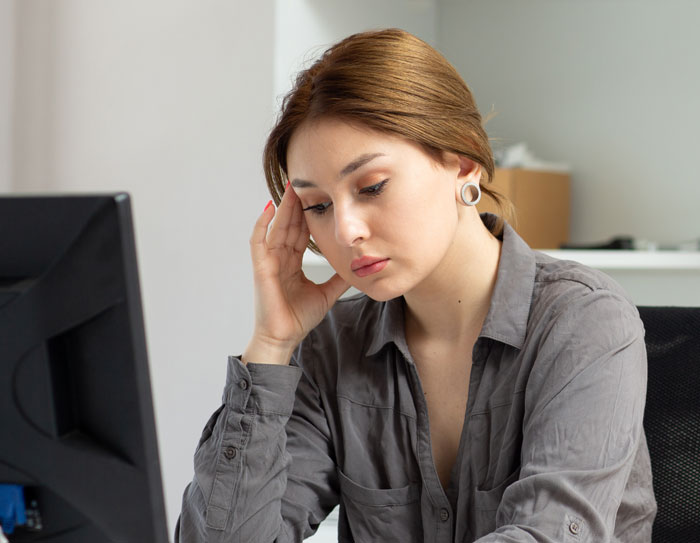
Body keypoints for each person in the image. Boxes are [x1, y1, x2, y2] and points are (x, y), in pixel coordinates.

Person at [175, 28, 656, 542]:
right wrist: (271, 346)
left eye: (372, 187)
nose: (345, 231)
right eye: (318, 205)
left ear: (463, 163)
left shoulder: (585, 322)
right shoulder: (332, 347)